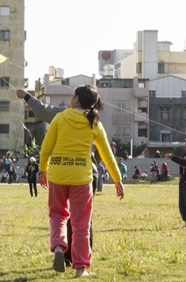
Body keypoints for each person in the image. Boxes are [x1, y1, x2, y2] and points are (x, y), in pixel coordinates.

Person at [39, 84, 124, 278]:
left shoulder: (60, 118)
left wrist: (43, 169)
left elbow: (46, 147)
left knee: (58, 215)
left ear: (76, 99)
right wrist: (117, 179)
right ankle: (80, 268)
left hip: (58, 175)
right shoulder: (94, 123)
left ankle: (59, 247)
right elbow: (107, 155)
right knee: (81, 224)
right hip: (81, 178)